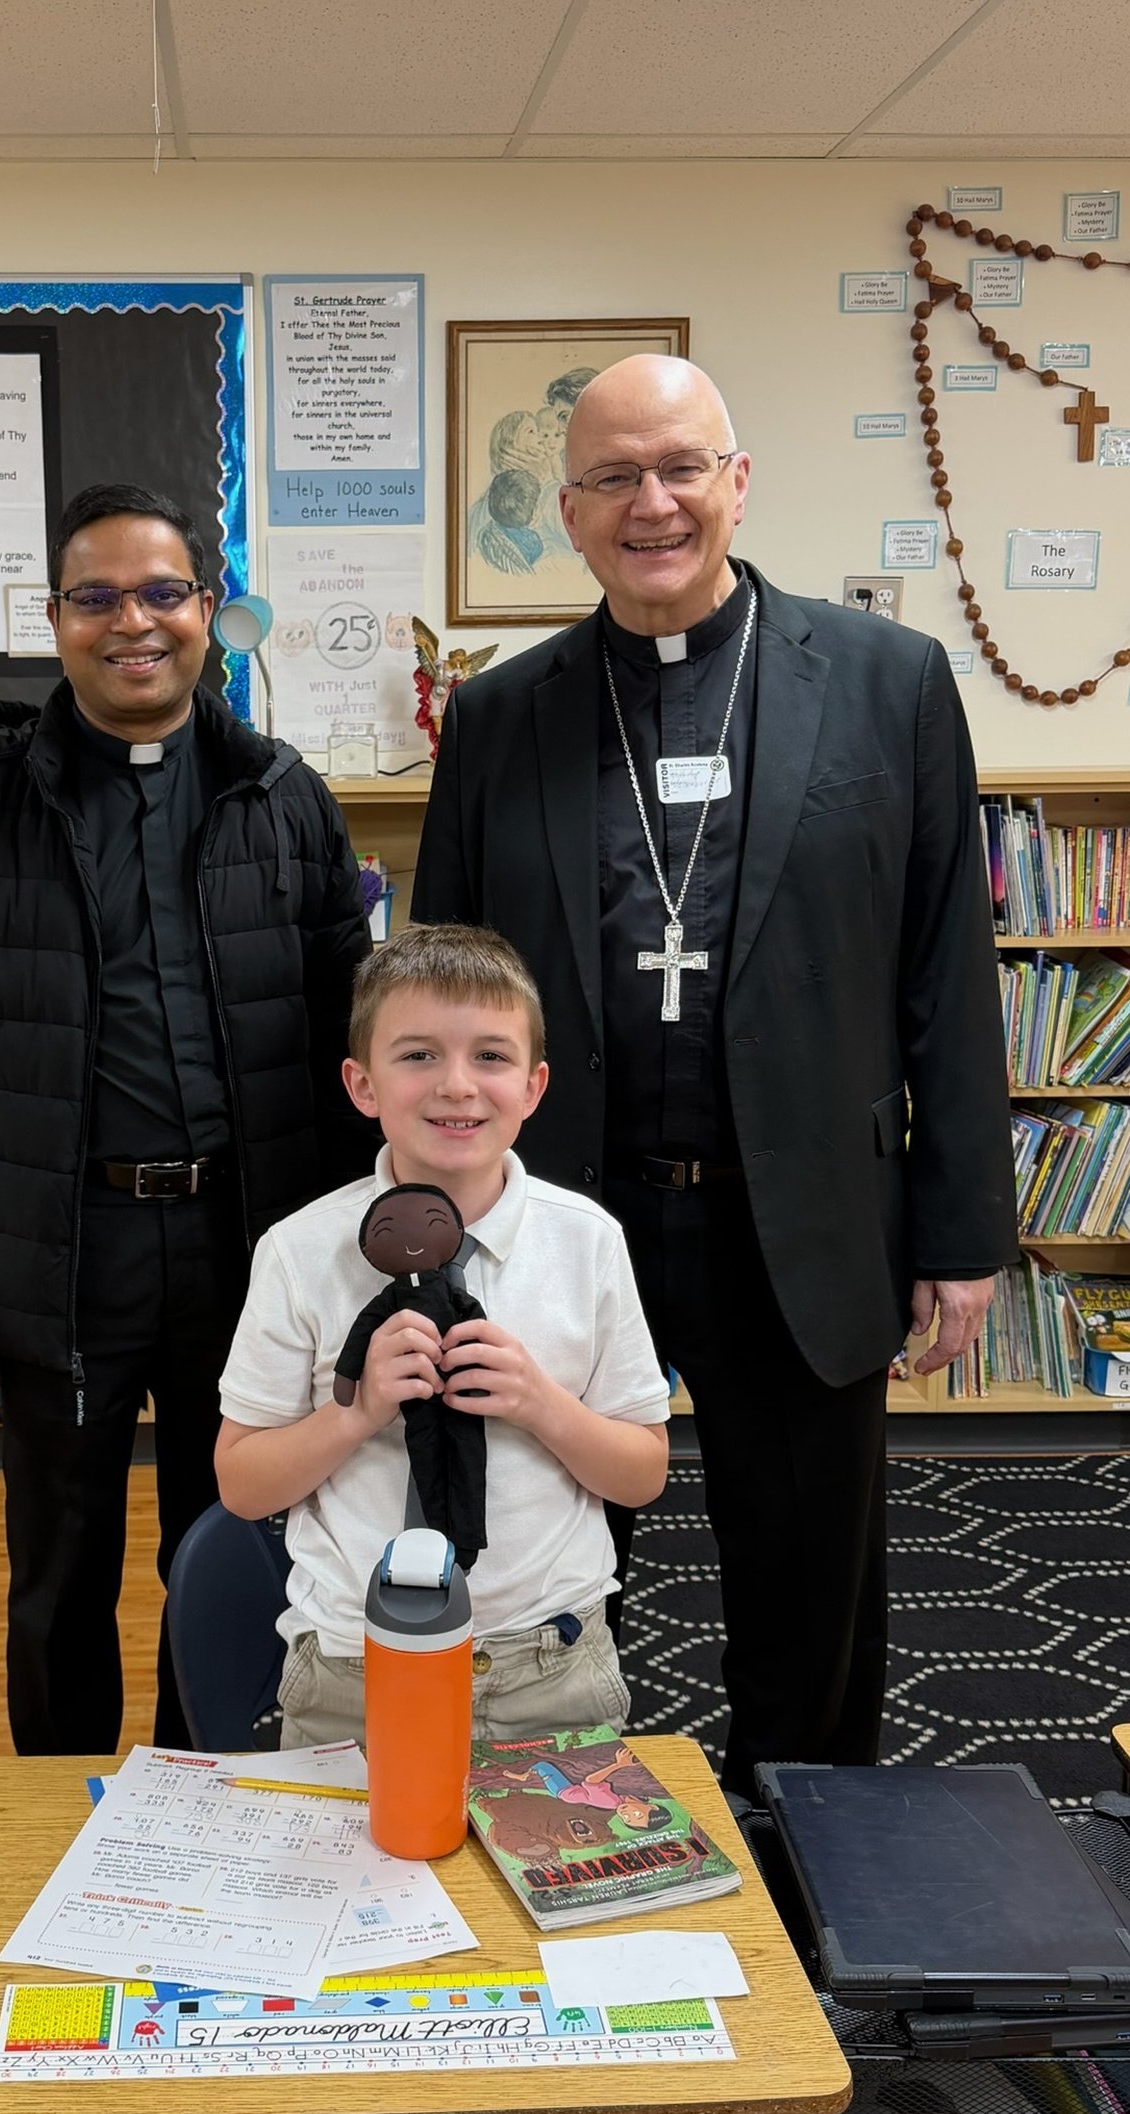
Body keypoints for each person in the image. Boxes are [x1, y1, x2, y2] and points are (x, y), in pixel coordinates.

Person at [410, 355, 1017, 1797]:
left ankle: (814, 1864)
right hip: (567, 1223)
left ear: (737, 483)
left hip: (798, 1218)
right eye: (615, 477)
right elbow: (439, 992)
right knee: (541, 1570)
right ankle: (549, 1837)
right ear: (568, 511)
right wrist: (433, 1228)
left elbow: (947, 970)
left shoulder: (890, 683)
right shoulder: (502, 719)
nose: (654, 502)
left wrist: (962, 1236)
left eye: (681, 467)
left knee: (810, 1585)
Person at [0, 482, 370, 1756]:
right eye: (95, 598)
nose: (131, 623)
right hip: (57, 1250)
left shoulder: (283, 797)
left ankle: (211, 1801)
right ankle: (58, 1821)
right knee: (58, 1569)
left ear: (210, 609)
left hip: (245, 1252)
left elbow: (345, 1054)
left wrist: (360, 1259)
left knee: (234, 1552)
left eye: (162, 593)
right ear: (53, 621)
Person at [215, 924, 671, 1748]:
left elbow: (642, 1474)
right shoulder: (297, 1252)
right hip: (355, 1662)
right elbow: (243, 1485)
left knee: (546, 1874)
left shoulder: (589, 1243)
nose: (457, 1086)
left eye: (491, 1057)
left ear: (534, 1086)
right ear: (362, 1084)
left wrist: (542, 1404)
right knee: (352, 1878)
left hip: (548, 1662)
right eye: (418, 1054)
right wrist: (352, 1415)